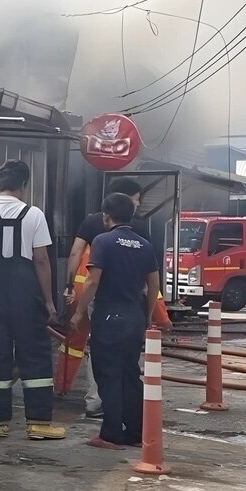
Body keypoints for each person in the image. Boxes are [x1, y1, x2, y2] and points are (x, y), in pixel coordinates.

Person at [0, 160, 65, 440]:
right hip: (25, 295)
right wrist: (49, 302)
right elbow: (41, 260)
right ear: (24, 185)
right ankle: (39, 422)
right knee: (34, 354)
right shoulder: (34, 214)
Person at [70, 193, 161, 450]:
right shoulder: (144, 245)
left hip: (109, 314)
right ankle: (134, 432)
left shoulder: (102, 241)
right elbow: (153, 284)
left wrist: (78, 312)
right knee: (130, 374)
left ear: (105, 216)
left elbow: (92, 280)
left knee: (108, 373)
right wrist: (147, 315)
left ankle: (110, 434)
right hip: (134, 315)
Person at [60, 177, 145, 418]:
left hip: (96, 297)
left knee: (97, 346)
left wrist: (69, 287)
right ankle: (126, 404)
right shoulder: (139, 226)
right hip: (128, 299)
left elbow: (76, 252)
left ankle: (96, 402)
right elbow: (150, 274)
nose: (138, 204)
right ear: (126, 198)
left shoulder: (91, 221)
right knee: (128, 350)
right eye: (137, 199)